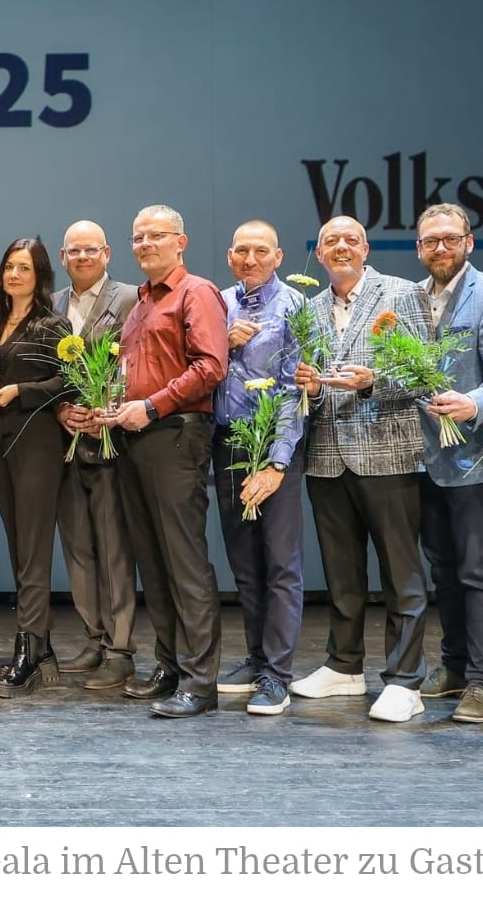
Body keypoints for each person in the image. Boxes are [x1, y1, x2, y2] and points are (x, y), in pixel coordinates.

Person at [290, 216, 435, 723]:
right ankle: (344, 664)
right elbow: (311, 386)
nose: (341, 247)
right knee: (341, 572)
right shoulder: (309, 309)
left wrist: (372, 380)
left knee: (400, 573)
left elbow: (425, 374)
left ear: (365, 249)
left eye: (350, 240)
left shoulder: (401, 293)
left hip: (387, 453)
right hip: (328, 457)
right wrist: (310, 388)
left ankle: (405, 679)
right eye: (331, 241)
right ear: (320, 253)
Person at [96, 204, 227, 719]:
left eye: (156, 235)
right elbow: (133, 372)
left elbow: (211, 366)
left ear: (181, 242)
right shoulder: (141, 302)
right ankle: (170, 666)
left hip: (175, 434)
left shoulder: (197, 292)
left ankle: (200, 681)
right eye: (138, 237)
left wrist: (151, 406)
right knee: (153, 561)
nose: (145, 244)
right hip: (136, 437)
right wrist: (111, 407)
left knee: (184, 562)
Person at [411, 204, 483, 724]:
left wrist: (472, 403)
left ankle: (482, 682)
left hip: (475, 458)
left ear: (468, 243)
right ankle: (454, 665)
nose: (440, 248)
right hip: (425, 459)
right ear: (419, 248)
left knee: (478, 571)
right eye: (430, 240)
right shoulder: (411, 297)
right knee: (443, 569)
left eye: (450, 239)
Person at [210, 221, 307, 718]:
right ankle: (255, 658)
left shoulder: (294, 306)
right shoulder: (217, 303)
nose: (250, 259)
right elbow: (200, 369)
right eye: (242, 251)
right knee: (245, 561)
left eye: (261, 251)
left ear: (278, 256)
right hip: (227, 443)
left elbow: (294, 390)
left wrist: (277, 461)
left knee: (280, 563)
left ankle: (277, 674)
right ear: (230, 256)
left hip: (273, 442)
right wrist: (222, 344)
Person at [0, 238, 72, 697]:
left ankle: (28, 650)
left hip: (38, 444)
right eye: (9, 267)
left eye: (25, 268)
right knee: (19, 548)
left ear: (41, 276)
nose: (14, 275)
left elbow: (69, 381)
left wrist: (19, 392)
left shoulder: (53, 324)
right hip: (1, 442)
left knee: (33, 550)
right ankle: (43, 646)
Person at [49, 220, 140, 690]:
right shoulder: (51, 305)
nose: (82, 257)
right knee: (78, 548)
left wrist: (106, 407)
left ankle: (120, 649)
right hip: (65, 445)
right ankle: (94, 638)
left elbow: (137, 364)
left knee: (114, 550)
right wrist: (61, 408)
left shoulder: (131, 299)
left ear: (106, 254)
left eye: (90, 250)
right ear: (62, 257)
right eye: (74, 251)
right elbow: (44, 371)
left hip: (111, 443)